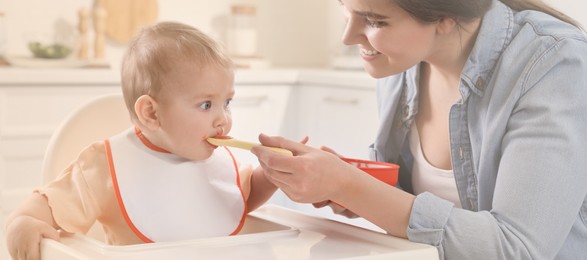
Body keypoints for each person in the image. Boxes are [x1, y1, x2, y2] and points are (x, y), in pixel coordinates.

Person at [251, 0, 587, 259]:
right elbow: (421, 208)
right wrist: (350, 184)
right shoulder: (401, 61)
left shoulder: (553, 63)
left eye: (373, 20)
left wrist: (349, 185)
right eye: (345, 8)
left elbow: (517, 249)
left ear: (444, 16)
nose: (348, 37)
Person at [4, 21, 278, 260]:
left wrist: (271, 175)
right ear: (151, 113)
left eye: (226, 102)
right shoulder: (105, 166)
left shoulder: (213, 156)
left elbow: (237, 198)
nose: (223, 120)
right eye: (206, 105)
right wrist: (24, 222)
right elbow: (46, 205)